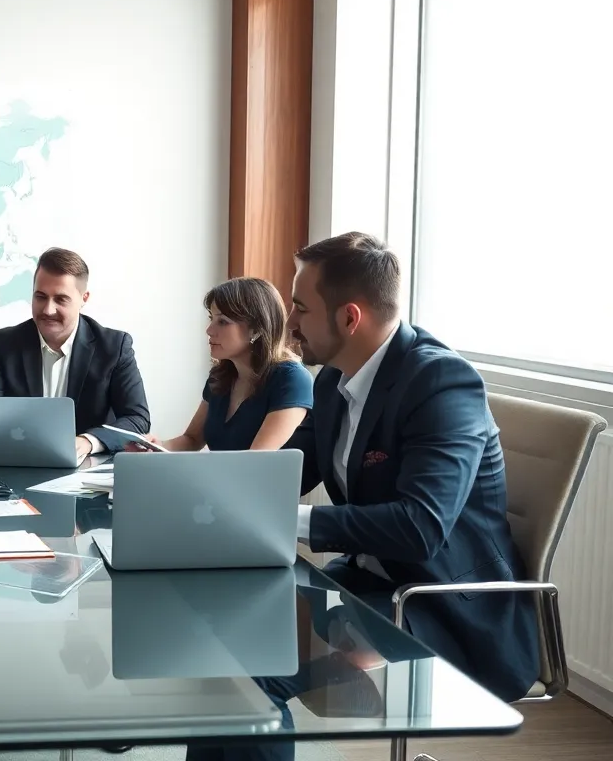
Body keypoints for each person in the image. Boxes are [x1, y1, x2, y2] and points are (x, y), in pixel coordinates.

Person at [187, 232, 539, 761]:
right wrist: (187, 499)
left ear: (350, 318)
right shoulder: (333, 382)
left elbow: (419, 528)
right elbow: (287, 473)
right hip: (367, 585)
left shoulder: (442, 383)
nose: (290, 323)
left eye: (301, 307)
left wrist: (283, 520)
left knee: (249, 678)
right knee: (219, 641)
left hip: (442, 608)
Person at [0, 247, 150, 456]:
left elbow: (137, 419)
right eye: (40, 297)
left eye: (61, 299)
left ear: (84, 298)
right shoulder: (5, 343)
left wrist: (89, 441)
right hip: (21, 462)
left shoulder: (114, 346)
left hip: (88, 471)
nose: (48, 310)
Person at [137, 277, 312, 452]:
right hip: (223, 477)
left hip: (260, 479)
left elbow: (258, 458)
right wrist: (156, 446)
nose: (209, 330)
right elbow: (191, 440)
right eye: (211, 318)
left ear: (257, 329)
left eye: (222, 322)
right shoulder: (220, 377)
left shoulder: (292, 379)